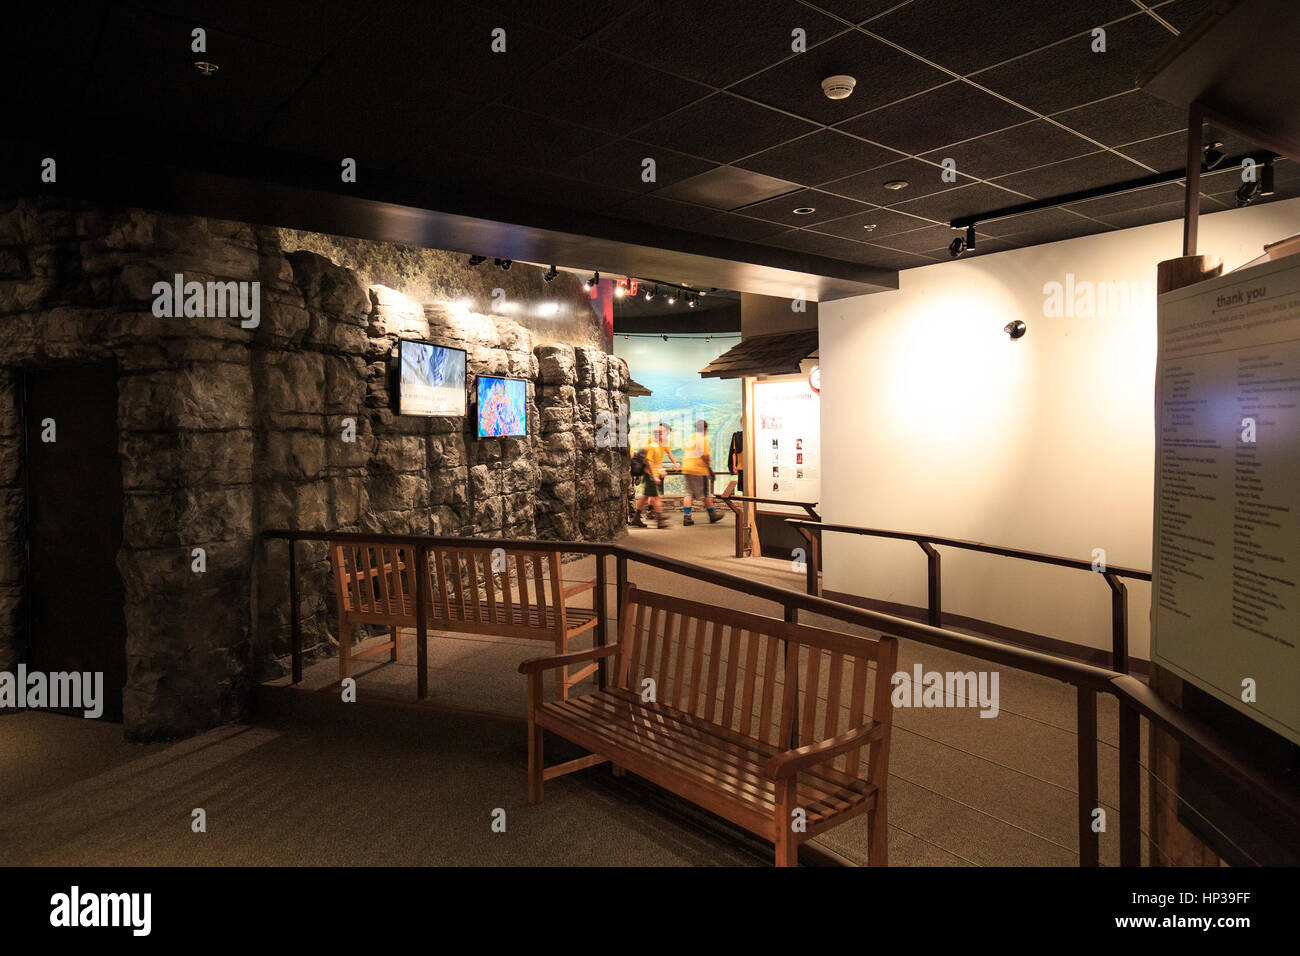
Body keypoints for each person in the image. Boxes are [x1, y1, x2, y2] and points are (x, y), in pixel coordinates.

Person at [632, 424, 677, 529]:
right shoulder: (652, 445)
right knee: (657, 497)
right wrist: (654, 475)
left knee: (645, 496)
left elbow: (666, 454)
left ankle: (636, 518)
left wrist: (674, 463)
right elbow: (649, 461)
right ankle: (660, 521)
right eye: (664, 433)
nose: (666, 435)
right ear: (658, 434)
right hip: (651, 474)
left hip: (653, 473)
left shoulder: (662, 443)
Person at [680, 420, 723, 526]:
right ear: (705, 429)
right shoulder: (702, 439)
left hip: (687, 468)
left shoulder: (692, 438)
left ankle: (687, 517)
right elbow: (705, 456)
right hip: (698, 470)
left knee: (688, 493)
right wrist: (710, 470)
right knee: (705, 494)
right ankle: (712, 515)